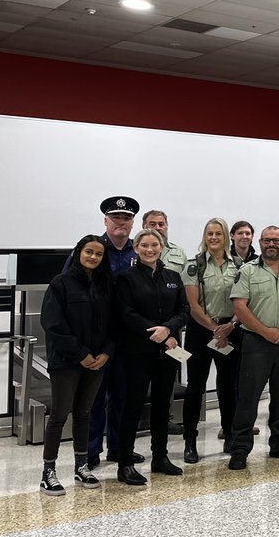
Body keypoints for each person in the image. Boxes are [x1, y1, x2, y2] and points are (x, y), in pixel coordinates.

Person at [228, 226, 279, 470]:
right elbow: (240, 307)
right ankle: (240, 448)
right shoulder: (248, 271)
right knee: (249, 397)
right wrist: (266, 332)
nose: (271, 244)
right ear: (260, 243)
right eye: (267, 240)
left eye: (276, 240)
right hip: (257, 343)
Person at [38, 235, 115, 495]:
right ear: (78, 252)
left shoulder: (105, 286)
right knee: (60, 416)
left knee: (84, 413)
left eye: (99, 254)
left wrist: (105, 352)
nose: (93, 257)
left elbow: (113, 325)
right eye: (88, 252)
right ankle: (48, 472)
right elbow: (53, 324)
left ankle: (81, 466)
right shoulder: (61, 284)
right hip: (67, 362)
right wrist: (80, 353)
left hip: (96, 362)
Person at [113, 228, 190, 485]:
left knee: (161, 405)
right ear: (135, 248)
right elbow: (126, 313)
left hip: (168, 351)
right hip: (137, 352)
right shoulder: (126, 279)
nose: (149, 249)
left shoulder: (172, 277)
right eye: (144, 245)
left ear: (161, 247)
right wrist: (155, 332)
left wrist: (168, 329)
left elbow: (184, 310)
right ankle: (124, 464)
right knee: (132, 406)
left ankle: (160, 457)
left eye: (154, 245)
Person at [180, 218, 242, 463]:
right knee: (196, 387)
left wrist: (231, 325)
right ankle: (190, 441)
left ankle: (230, 435)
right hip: (201, 330)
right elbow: (194, 306)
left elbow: (243, 301)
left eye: (218, 233)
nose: (214, 237)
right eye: (209, 233)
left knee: (229, 387)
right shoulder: (194, 266)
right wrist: (216, 329)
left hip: (231, 328)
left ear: (226, 237)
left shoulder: (238, 265)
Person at [85, 195, 139, 470]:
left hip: (129, 338)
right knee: (95, 397)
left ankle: (119, 447)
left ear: (132, 223)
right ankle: (91, 451)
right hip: (98, 337)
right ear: (105, 220)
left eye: (126, 218)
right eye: (116, 217)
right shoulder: (93, 250)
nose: (121, 222)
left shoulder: (138, 252)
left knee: (122, 395)